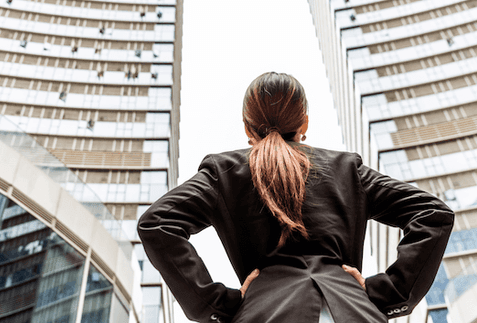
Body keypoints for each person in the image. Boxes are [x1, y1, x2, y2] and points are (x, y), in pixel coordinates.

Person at [137, 72, 454, 323]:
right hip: (354, 312)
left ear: (248, 129)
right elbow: (431, 214)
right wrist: (387, 292)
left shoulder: (223, 172)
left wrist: (217, 304)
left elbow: (157, 223)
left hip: (263, 312)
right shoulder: (346, 169)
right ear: (304, 122)